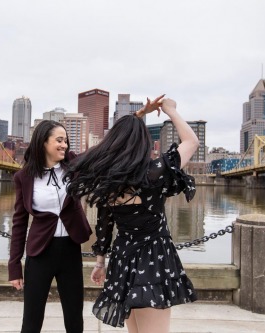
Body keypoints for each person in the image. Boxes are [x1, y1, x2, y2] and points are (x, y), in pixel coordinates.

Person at [65, 95, 199, 332]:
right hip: (153, 259)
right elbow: (191, 141)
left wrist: (100, 261)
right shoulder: (154, 174)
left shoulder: (108, 182)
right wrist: (171, 111)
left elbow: (105, 225)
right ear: (143, 143)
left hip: (123, 259)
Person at [8, 120, 92, 333]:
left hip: (70, 249)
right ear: (44, 142)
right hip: (40, 253)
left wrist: (136, 116)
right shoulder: (24, 177)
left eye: (66, 140)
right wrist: (14, 266)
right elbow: (19, 223)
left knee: (74, 319)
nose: (65, 145)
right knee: (31, 321)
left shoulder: (73, 165)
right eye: (59, 140)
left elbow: (102, 150)